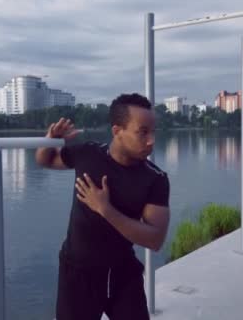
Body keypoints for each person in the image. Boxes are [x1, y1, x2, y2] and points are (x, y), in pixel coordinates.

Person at [35, 93, 170, 320]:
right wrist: (49, 141)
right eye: (143, 132)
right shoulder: (88, 154)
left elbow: (155, 239)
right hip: (77, 273)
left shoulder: (155, 179)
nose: (151, 140)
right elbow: (45, 160)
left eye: (153, 132)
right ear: (117, 131)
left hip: (122, 273)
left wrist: (105, 209)